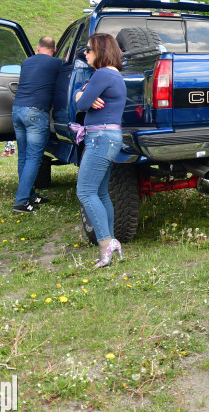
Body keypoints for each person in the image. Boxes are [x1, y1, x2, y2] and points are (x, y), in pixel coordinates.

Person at [74, 33, 127, 267]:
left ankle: (105, 244)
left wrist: (82, 96)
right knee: (101, 192)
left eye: (89, 50)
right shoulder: (113, 75)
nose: (85, 53)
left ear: (101, 51)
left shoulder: (102, 74)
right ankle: (111, 241)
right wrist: (83, 95)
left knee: (85, 192)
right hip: (108, 137)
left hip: (100, 137)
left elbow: (81, 104)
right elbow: (83, 99)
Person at [12, 36, 62, 213]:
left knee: (23, 156)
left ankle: (30, 194)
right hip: (36, 113)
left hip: (18, 110)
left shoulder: (26, 62)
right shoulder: (57, 64)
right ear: (54, 50)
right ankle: (21, 201)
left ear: (37, 47)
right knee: (34, 158)